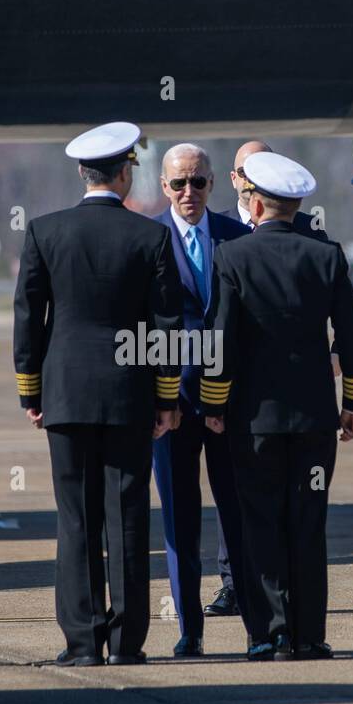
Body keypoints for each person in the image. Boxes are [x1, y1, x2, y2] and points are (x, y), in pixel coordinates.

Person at [14, 122, 184, 666]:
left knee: (76, 520)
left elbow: (28, 319)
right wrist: (165, 397)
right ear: (125, 171)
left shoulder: (44, 231)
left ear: (81, 173)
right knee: (127, 516)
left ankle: (83, 643)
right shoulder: (151, 236)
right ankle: (127, 641)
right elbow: (165, 325)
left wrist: (30, 391)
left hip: (65, 392)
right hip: (129, 394)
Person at [203, 152, 353, 660]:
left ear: (254, 204)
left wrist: (215, 403)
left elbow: (221, 340)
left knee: (260, 525)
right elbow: (352, 337)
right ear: (296, 206)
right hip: (316, 417)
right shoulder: (326, 255)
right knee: (308, 523)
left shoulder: (231, 258)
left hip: (254, 420)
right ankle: (309, 634)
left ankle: (268, 634)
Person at [150, 144, 253, 656]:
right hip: (170, 406)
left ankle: (258, 626)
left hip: (232, 404)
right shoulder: (148, 240)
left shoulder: (237, 236)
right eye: (178, 184)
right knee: (179, 519)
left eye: (198, 182)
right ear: (163, 187)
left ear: (214, 184)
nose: (188, 193)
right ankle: (190, 629)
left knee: (239, 513)